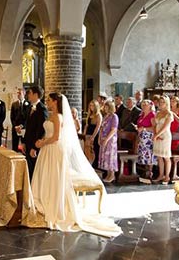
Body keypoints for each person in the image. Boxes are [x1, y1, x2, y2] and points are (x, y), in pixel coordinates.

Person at [30, 92, 121, 237]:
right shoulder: (51, 115)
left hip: (54, 149)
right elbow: (48, 132)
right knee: (46, 175)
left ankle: (54, 204)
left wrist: (42, 143)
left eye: (49, 100)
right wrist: (41, 141)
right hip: (47, 149)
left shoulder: (59, 117)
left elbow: (56, 137)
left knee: (54, 176)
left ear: (55, 102)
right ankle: (42, 199)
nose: (47, 102)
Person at [23, 85, 48, 179]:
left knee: (35, 170)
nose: (28, 95)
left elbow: (41, 130)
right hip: (28, 142)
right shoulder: (30, 107)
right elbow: (28, 127)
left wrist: (35, 147)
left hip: (35, 144)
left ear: (36, 94)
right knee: (29, 168)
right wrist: (24, 142)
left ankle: (34, 191)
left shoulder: (42, 109)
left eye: (29, 93)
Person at [152, 96, 172, 184]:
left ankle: (167, 176)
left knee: (166, 157)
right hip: (157, 135)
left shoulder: (169, 113)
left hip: (165, 136)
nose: (161, 104)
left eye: (163, 102)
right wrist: (155, 134)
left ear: (167, 103)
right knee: (159, 157)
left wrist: (157, 135)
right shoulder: (158, 113)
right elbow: (155, 125)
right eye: (160, 102)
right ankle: (161, 175)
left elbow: (165, 127)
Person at [98, 101, 119, 183]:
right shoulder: (105, 116)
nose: (105, 108)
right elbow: (102, 128)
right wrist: (99, 138)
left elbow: (114, 130)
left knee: (110, 156)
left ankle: (112, 175)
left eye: (107, 107)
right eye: (105, 107)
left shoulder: (114, 116)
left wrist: (106, 139)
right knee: (105, 157)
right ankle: (108, 174)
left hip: (110, 139)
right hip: (103, 138)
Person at [136, 100, 156, 182]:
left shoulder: (152, 115)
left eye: (145, 105)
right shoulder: (141, 115)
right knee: (143, 155)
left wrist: (144, 129)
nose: (143, 106)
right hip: (141, 137)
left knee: (149, 155)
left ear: (150, 106)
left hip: (148, 137)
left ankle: (149, 173)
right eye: (142, 104)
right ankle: (145, 172)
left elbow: (154, 128)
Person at [11, 87, 31, 152]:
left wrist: (22, 126)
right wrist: (15, 126)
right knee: (14, 147)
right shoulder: (14, 104)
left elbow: (28, 117)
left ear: (24, 94)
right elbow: (12, 117)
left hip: (24, 129)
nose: (18, 94)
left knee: (24, 146)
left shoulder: (29, 104)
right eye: (18, 93)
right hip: (15, 128)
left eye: (20, 93)